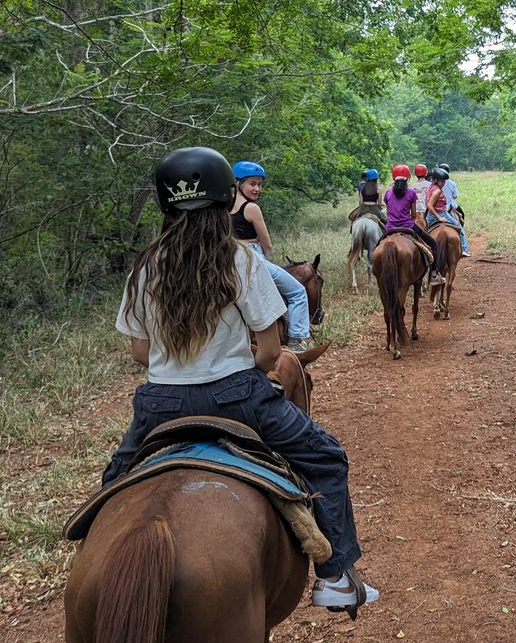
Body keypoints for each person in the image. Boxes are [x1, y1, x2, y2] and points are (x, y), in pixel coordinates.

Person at [108, 146, 378, 613]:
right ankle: (334, 578)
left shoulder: (146, 266)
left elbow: (139, 353)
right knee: (327, 458)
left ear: (166, 205)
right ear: (223, 202)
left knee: (114, 483)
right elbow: (272, 351)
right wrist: (240, 373)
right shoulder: (242, 262)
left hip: (158, 406)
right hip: (236, 397)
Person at [230, 159, 312, 350]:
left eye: (259, 184)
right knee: (298, 292)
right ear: (238, 183)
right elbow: (267, 244)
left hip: (227, 257)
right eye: (252, 183)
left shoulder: (222, 208)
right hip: (253, 258)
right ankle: (297, 340)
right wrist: (265, 259)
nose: (257, 188)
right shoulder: (251, 208)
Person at [384, 164, 440, 272]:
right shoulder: (411, 193)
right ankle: (434, 274)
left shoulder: (388, 193)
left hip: (390, 227)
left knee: (377, 245)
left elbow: (388, 213)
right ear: (408, 178)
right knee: (433, 244)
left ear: (393, 177)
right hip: (408, 225)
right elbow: (413, 214)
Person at [427, 168, 470, 257]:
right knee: (459, 228)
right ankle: (465, 249)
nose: (443, 184)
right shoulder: (438, 191)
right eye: (441, 181)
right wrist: (439, 217)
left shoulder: (430, 188)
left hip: (429, 217)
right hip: (442, 213)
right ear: (436, 180)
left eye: (444, 181)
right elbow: (429, 205)